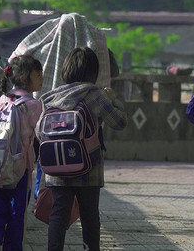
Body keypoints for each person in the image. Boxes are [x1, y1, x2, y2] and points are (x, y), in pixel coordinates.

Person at [37, 47, 127, 251]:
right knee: (89, 216)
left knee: (58, 215)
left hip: (57, 168)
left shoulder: (50, 98)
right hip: (89, 169)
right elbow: (120, 122)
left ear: (66, 70)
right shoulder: (95, 95)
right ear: (93, 72)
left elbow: (39, 133)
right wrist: (113, 99)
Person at [0, 55, 43, 251]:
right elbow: (41, 135)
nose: (42, 78)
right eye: (38, 74)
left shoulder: (1, 100)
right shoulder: (33, 105)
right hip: (20, 168)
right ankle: (12, 247)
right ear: (24, 77)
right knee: (17, 213)